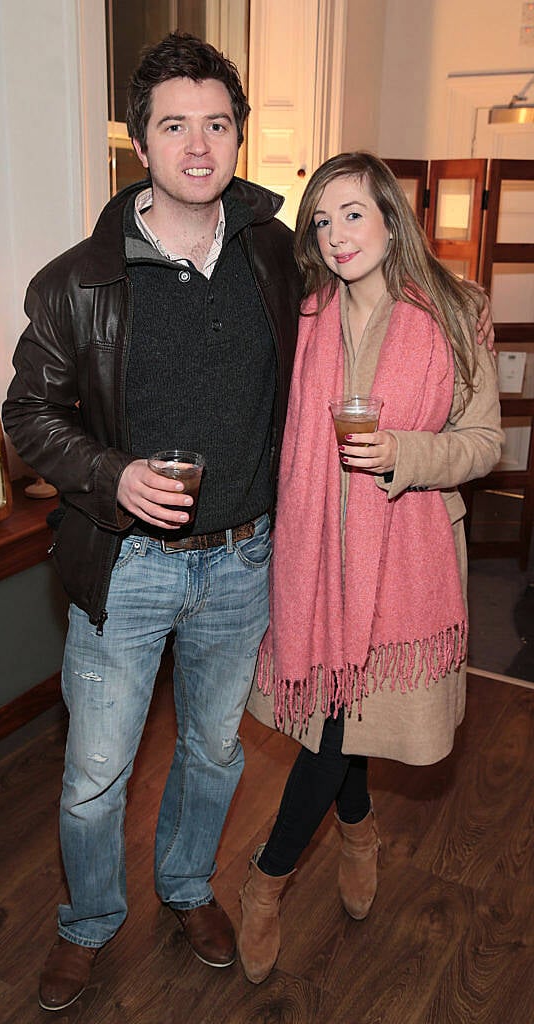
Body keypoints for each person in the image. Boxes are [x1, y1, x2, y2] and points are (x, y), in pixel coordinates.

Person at [2, 32, 302, 1012]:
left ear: (237, 135)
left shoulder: (274, 256)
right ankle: (88, 922)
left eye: (217, 123)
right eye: (176, 125)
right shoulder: (76, 281)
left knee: (215, 750)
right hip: (125, 563)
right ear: (142, 144)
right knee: (96, 771)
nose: (199, 144)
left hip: (242, 557)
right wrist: (112, 473)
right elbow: (28, 417)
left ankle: (184, 885)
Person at [238, 151, 503, 985]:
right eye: (321, 219)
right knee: (337, 722)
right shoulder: (303, 313)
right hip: (316, 558)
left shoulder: (456, 312)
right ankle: (352, 830)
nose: (336, 233)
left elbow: (486, 441)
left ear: (391, 217)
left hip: (403, 558)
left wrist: (409, 453)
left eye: (353, 213)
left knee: (340, 722)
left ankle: (265, 879)